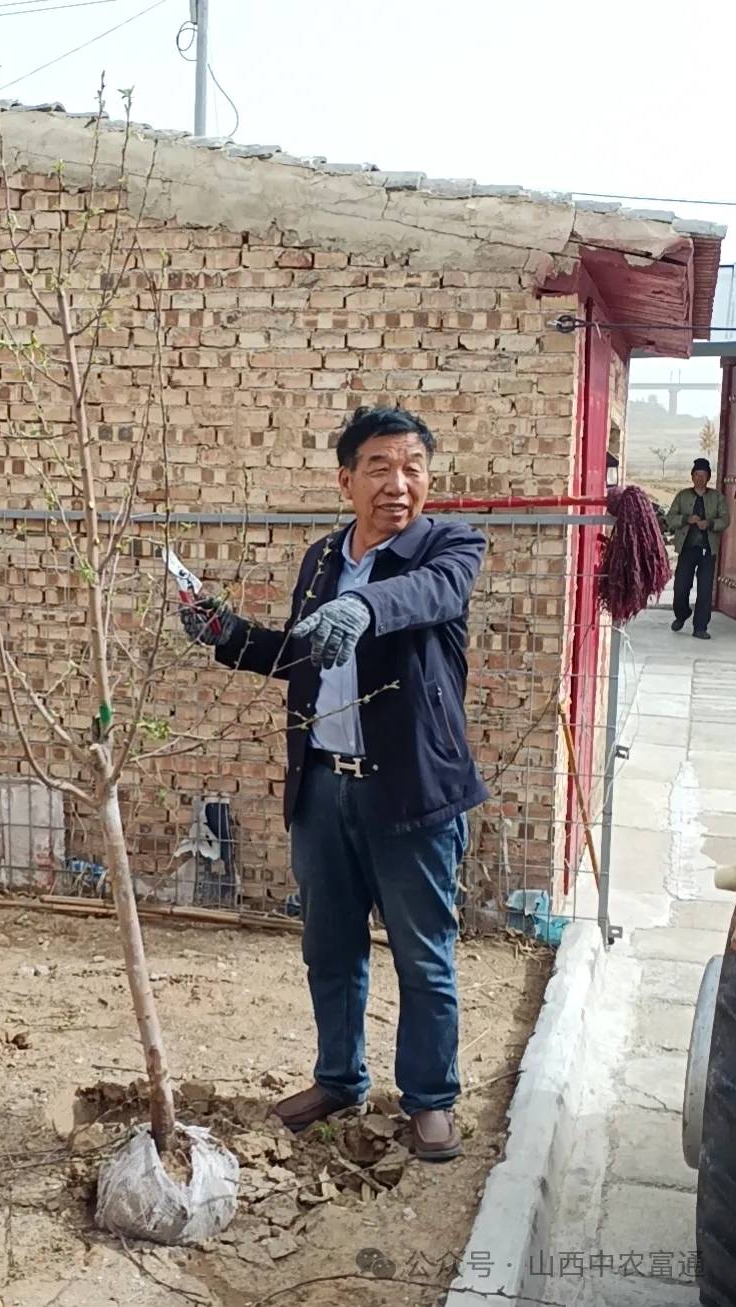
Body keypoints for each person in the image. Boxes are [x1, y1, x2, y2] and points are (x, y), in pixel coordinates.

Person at [181, 406, 488, 1161]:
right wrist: (225, 636)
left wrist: (363, 603)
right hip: (323, 786)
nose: (398, 483)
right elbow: (302, 659)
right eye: (380, 467)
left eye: (413, 466)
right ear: (346, 479)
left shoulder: (447, 546)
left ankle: (430, 1099)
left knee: (424, 955)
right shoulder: (322, 559)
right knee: (330, 947)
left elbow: (430, 597)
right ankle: (338, 1078)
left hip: (412, 792)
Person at [666, 458, 731, 640]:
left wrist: (709, 523)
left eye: (703, 475)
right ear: (692, 476)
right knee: (680, 587)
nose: (700, 479)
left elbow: (725, 520)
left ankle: (700, 627)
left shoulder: (717, 497)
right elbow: (670, 518)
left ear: (708, 477)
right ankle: (682, 614)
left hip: (707, 551)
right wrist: (686, 519)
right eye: (697, 475)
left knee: (704, 590)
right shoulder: (683, 496)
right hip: (687, 549)